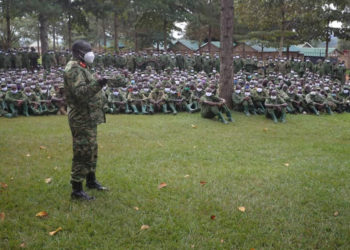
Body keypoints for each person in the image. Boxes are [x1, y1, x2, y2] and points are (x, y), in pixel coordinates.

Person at [64, 40, 108, 201]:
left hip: (89, 116)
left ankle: (91, 180)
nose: (92, 53)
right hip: (81, 117)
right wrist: (99, 83)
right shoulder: (74, 69)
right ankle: (77, 190)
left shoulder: (83, 67)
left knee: (91, 149)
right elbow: (81, 93)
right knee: (82, 151)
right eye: (88, 51)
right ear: (79, 53)